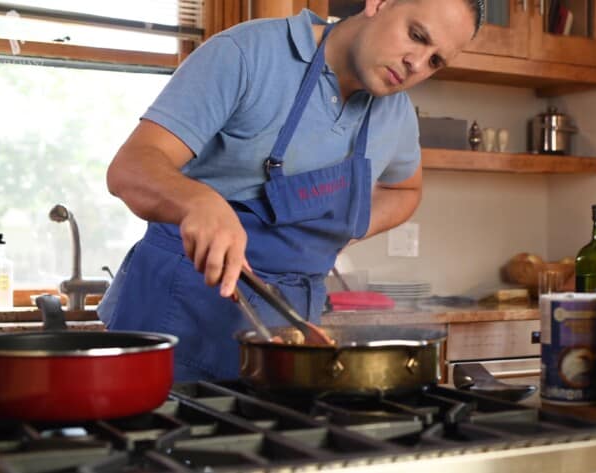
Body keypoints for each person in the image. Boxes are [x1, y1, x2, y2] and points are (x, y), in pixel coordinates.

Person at [99, 0, 484, 382]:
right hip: (177, 313)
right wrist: (197, 202)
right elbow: (131, 167)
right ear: (378, 4)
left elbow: (406, 190)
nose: (417, 63)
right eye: (416, 36)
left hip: (289, 324)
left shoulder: (396, 115)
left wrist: (342, 231)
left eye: (435, 61)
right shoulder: (246, 53)